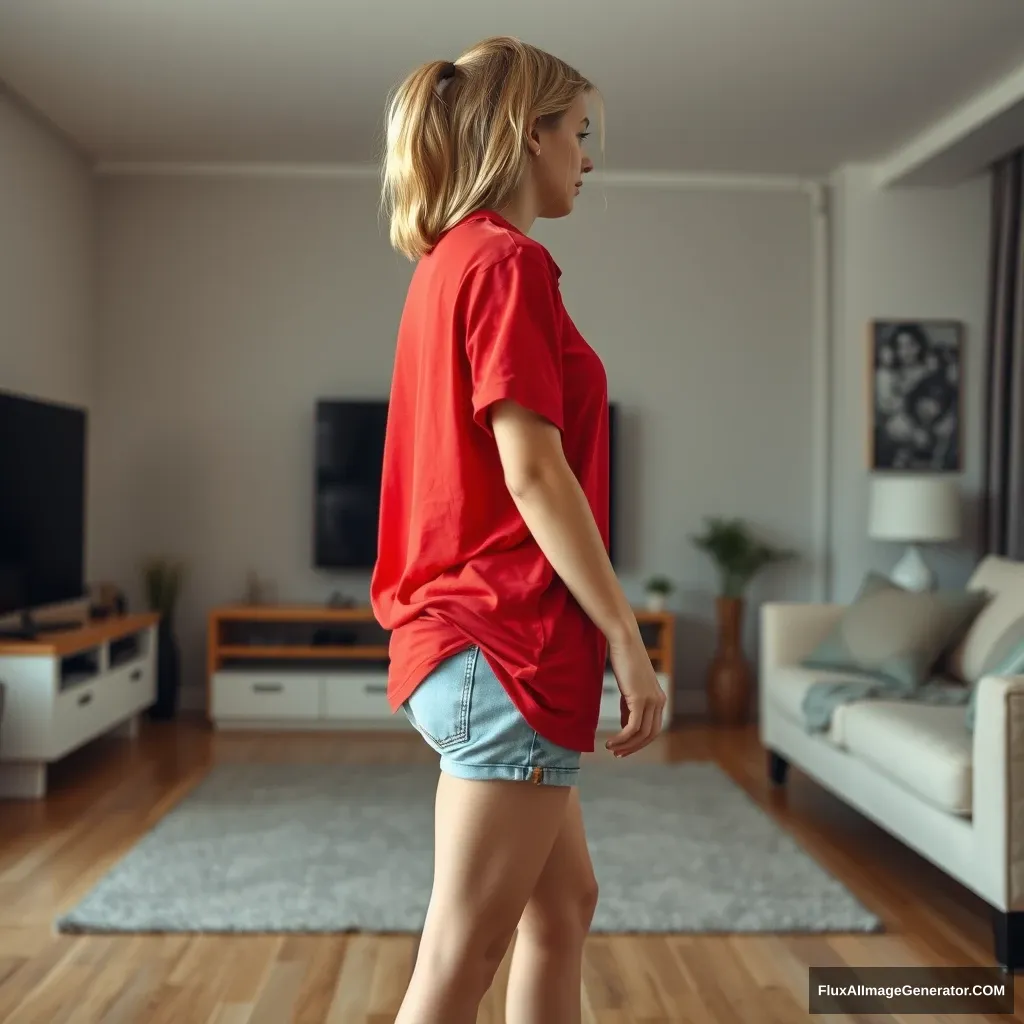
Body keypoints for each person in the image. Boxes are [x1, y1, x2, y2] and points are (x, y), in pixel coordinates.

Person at [370, 35, 667, 1024]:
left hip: (465, 645)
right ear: (525, 135)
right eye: (578, 133)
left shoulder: (449, 262)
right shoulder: (506, 261)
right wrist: (628, 638)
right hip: (504, 644)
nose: (588, 156)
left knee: (562, 905)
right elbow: (533, 473)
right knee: (461, 955)